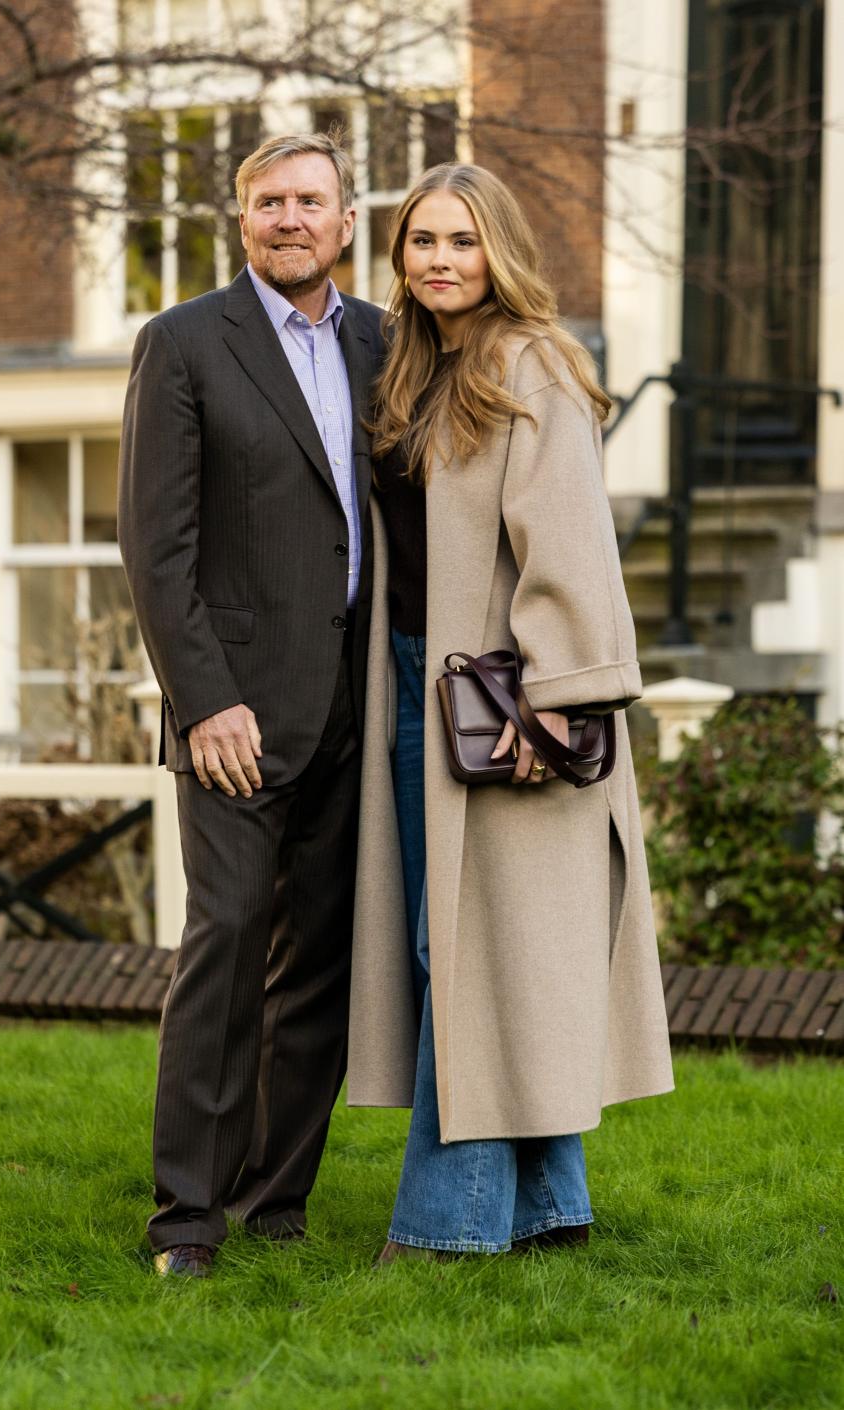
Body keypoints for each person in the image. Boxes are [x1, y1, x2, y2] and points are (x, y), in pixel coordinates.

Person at [346, 164, 674, 1260]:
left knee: (475, 952)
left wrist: (548, 702)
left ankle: (449, 1224)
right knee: (493, 949)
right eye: (422, 241)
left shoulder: (528, 359)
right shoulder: (412, 367)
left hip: (505, 700)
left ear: (501, 253)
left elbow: (569, 539)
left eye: (462, 242)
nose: (439, 259)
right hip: (415, 683)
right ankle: (550, 1206)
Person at [118, 132, 384, 1276]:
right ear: (242, 223)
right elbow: (154, 545)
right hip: (233, 711)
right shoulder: (181, 344)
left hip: (355, 705)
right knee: (225, 946)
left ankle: (278, 1202)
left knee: (318, 956)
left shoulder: (385, 339)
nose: (289, 219)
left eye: (309, 202)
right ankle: (187, 1216)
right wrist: (204, 700)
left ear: (344, 222)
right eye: (268, 201)